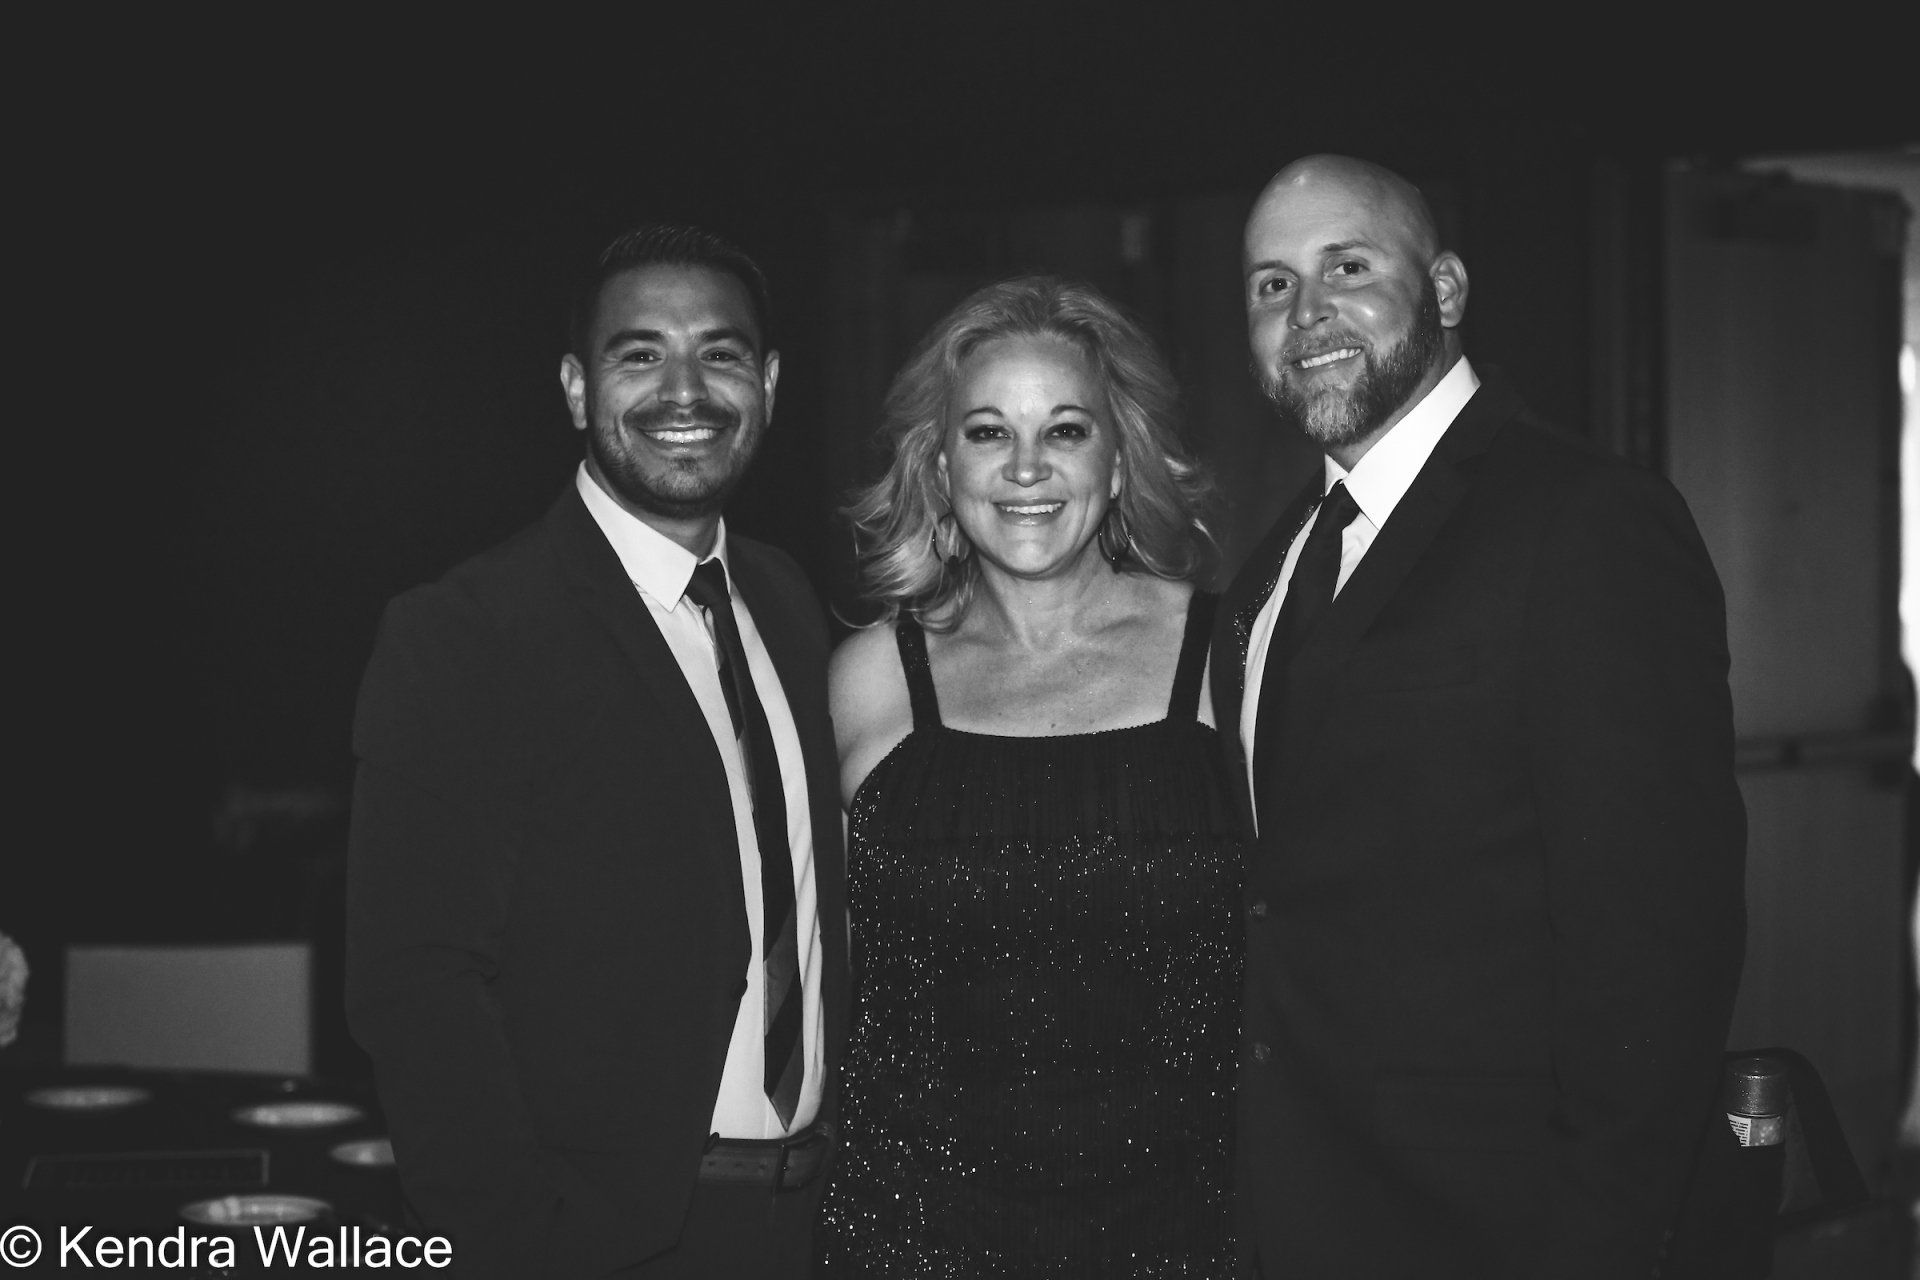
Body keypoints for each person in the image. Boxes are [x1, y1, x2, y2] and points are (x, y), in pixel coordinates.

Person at [1215, 154, 1747, 1277]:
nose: (1306, 312)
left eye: (1346, 266)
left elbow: (1660, 939)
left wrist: (1600, 1240)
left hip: (1501, 1226)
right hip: (1297, 1212)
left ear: (1446, 289)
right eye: (1271, 284)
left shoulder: (1587, 523)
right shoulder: (1271, 566)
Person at [346, 225, 846, 1279]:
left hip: (821, 1223)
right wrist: (525, 1240)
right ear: (577, 388)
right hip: (612, 1241)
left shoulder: (792, 603)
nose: (684, 389)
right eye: (639, 353)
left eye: (718, 353)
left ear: (768, 382)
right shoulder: (469, 630)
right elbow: (415, 982)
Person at [819, 275, 1243, 1275]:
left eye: (1063, 430)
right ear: (937, 459)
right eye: (986, 432)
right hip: (913, 1239)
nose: (1025, 469)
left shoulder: (1232, 659)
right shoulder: (869, 678)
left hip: (1186, 1238)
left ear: (1120, 450)